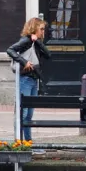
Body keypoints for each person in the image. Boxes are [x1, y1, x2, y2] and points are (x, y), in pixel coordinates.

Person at [6, 17, 52, 149]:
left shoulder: (36, 42)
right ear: (34, 28)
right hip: (25, 79)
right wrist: (24, 62)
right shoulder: (25, 40)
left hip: (33, 80)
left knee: (29, 114)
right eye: (41, 29)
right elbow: (10, 50)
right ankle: (19, 142)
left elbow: (48, 55)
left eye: (44, 29)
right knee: (23, 112)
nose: (43, 32)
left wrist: (37, 41)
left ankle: (28, 143)